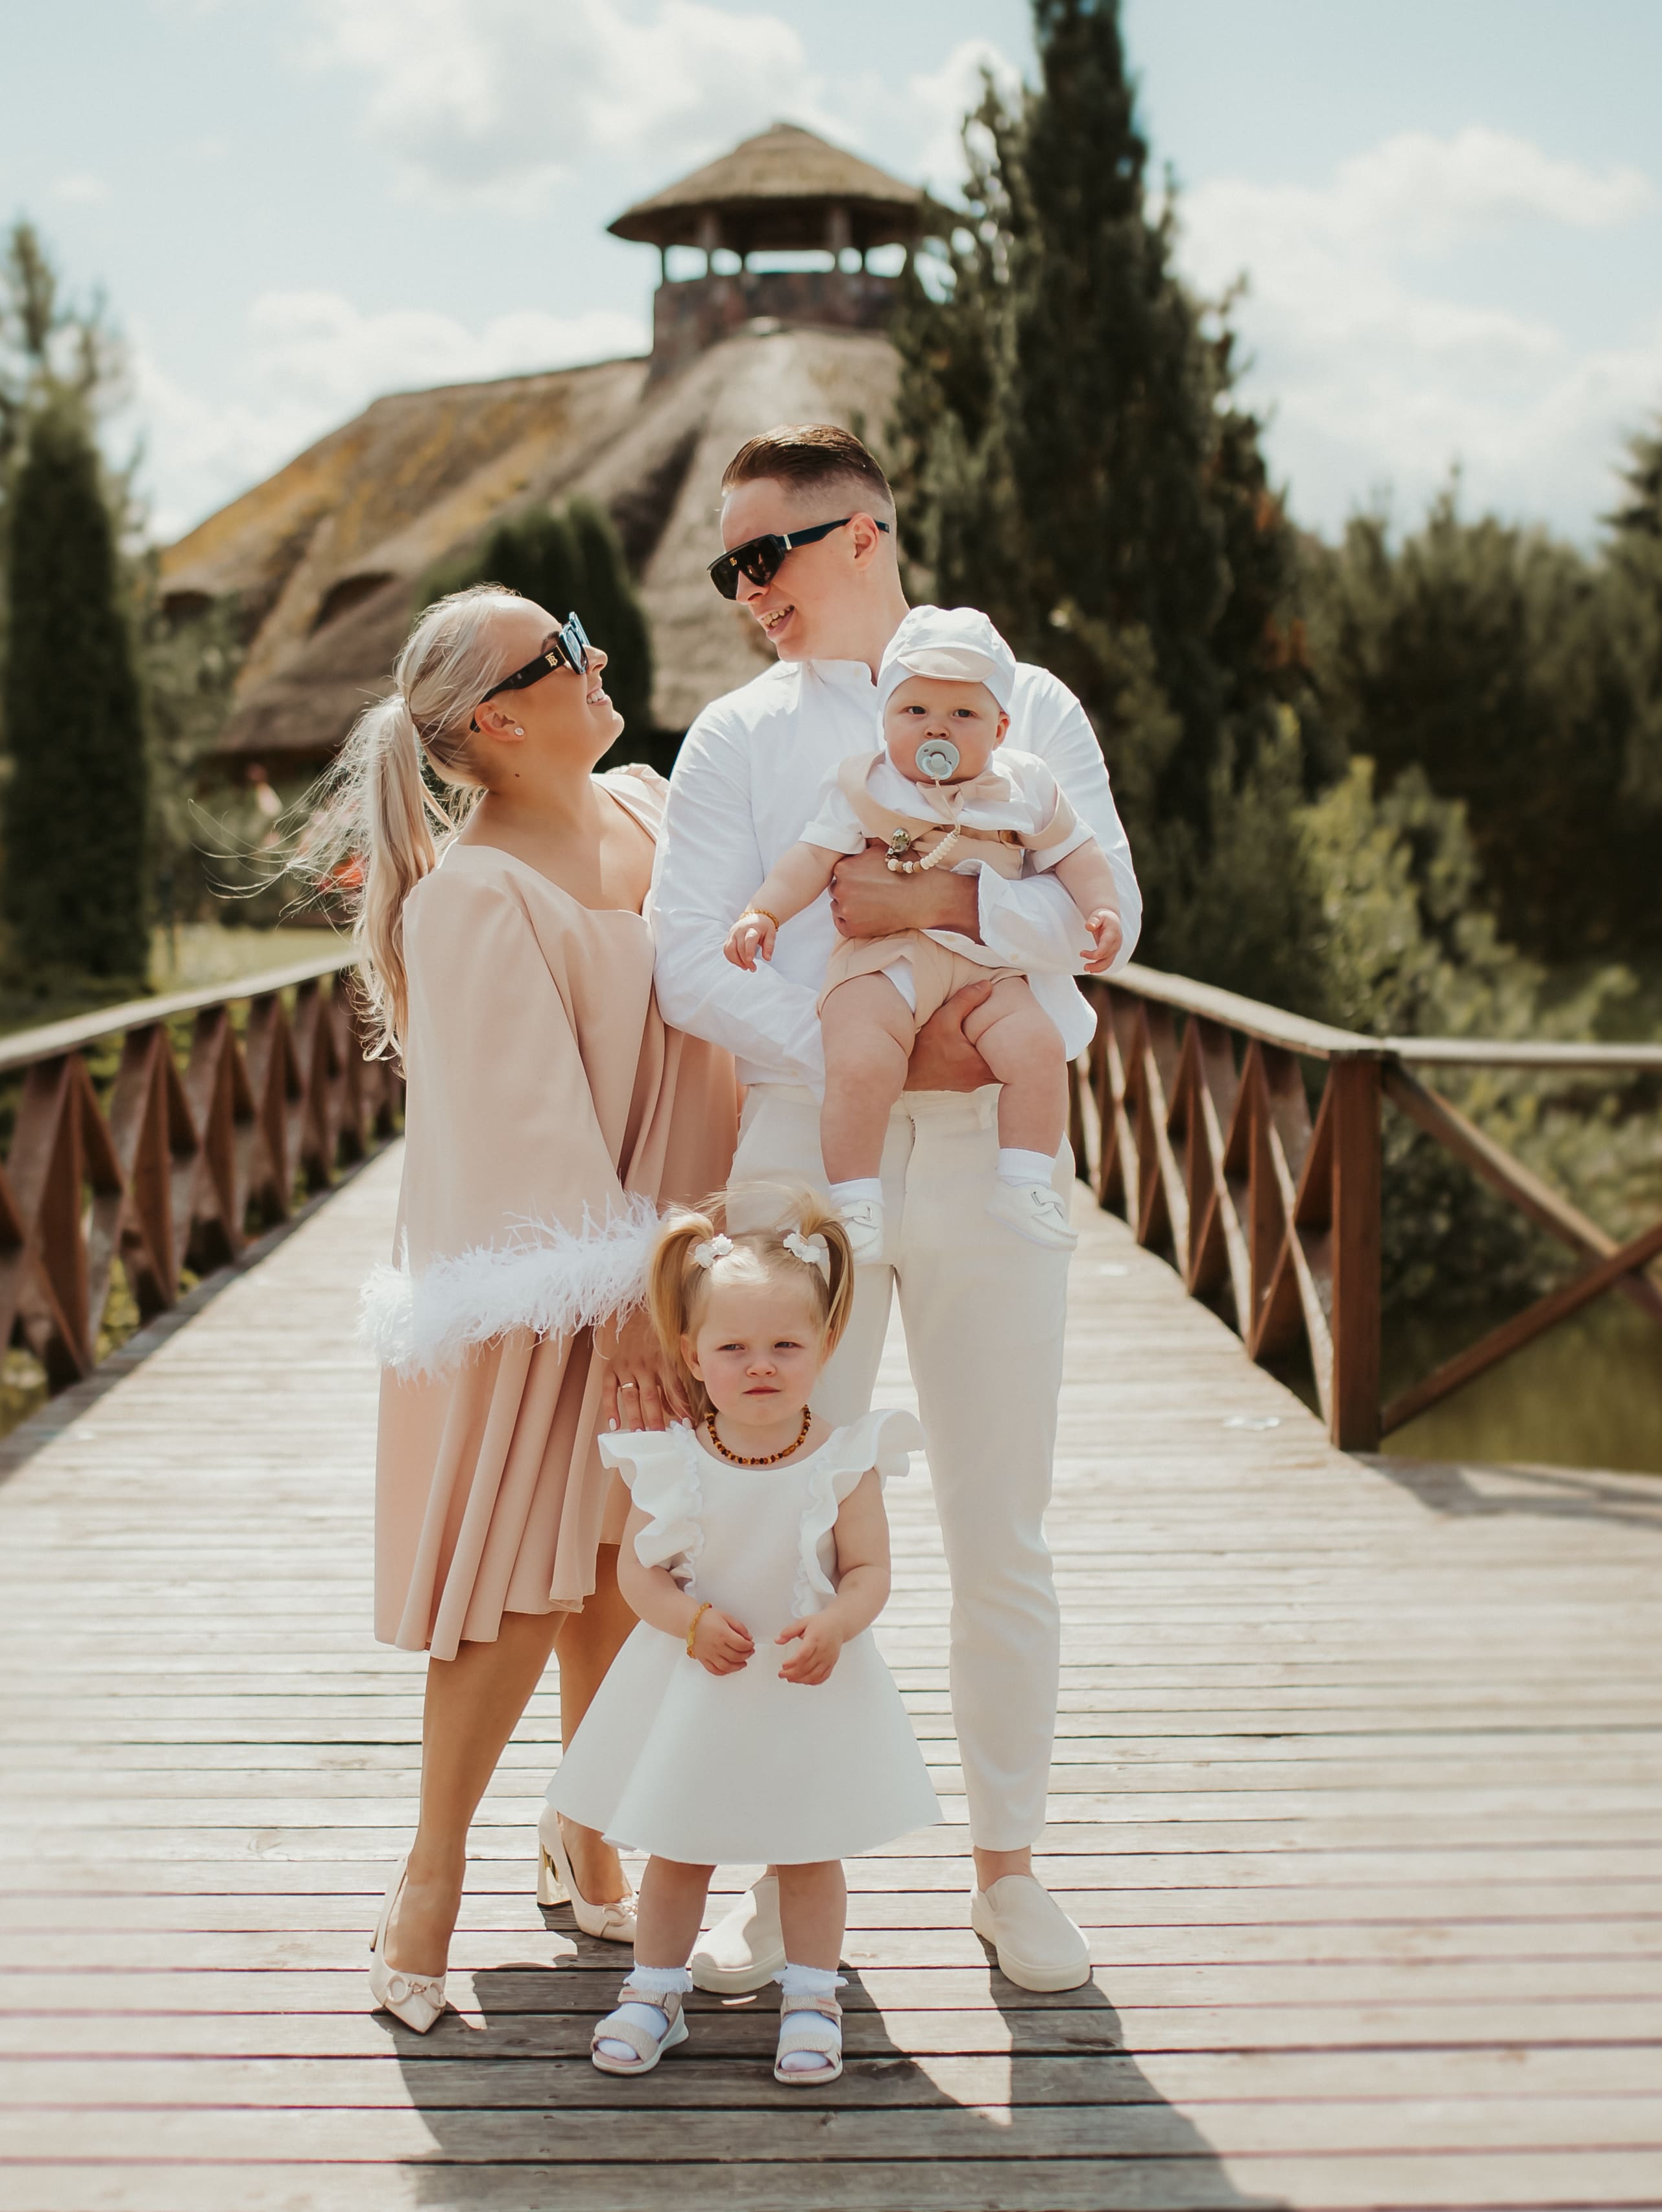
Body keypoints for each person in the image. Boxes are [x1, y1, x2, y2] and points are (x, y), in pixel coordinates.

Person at [653, 424, 1142, 1997]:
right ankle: (775, 1876)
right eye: (728, 566)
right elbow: (686, 956)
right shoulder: (736, 735)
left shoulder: (1029, 704)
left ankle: (1008, 1871)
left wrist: (944, 909)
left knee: (1000, 1523)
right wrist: (864, 1046)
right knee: (776, 1516)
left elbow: (1111, 917)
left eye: (765, 555)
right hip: (805, 1158)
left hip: (1000, 1149)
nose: (746, 590)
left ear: (860, 533)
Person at [314, 587, 739, 2034]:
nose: (594, 652)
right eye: (563, 645)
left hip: (682, 1258)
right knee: (516, 1578)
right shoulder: (470, 896)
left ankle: (586, 1824)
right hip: (556, 1281)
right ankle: (430, 1875)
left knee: (624, 1563)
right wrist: (621, 1304)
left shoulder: (649, 804)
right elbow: (521, 1127)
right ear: (496, 717)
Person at [546, 1186, 937, 2086]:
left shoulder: (844, 1458)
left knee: (805, 1849)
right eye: (732, 1349)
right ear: (692, 1353)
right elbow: (638, 1574)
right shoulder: (671, 1457)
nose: (759, 1366)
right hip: (700, 1682)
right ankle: (655, 1989)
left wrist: (836, 1622)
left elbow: (868, 1571)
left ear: (825, 1346)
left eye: (784, 1347)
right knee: (679, 1845)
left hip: (802, 1683)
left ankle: (811, 1995)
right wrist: (687, 1620)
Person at [725, 603, 1125, 1256]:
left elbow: (1077, 853)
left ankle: (1025, 1181)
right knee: (858, 1055)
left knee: (1037, 1048)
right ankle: (855, 1198)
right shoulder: (867, 785)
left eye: (962, 714)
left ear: (999, 728)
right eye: (914, 711)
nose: (936, 727)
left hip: (986, 967)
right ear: (885, 720)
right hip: (883, 962)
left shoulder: (1023, 786)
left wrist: (1099, 908)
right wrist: (763, 912)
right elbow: (810, 857)